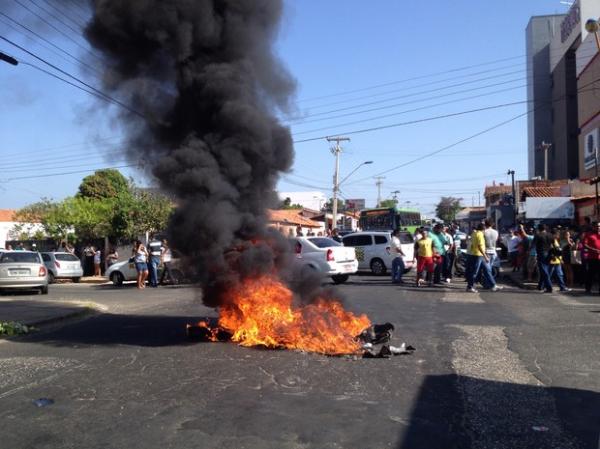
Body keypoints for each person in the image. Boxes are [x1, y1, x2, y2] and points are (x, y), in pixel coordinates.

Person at [465, 223, 499, 293]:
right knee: (474, 272)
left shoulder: (474, 233)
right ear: (483, 229)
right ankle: (470, 287)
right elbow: (479, 246)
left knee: (487, 270)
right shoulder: (480, 235)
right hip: (478, 255)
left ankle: (493, 285)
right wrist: (485, 256)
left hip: (476, 254)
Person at [533, 224, 554, 293]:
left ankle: (549, 287)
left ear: (539, 229)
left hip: (541, 253)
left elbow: (533, 244)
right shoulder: (550, 235)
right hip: (549, 253)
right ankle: (540, 286)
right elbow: (552, 244)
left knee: (544, 270)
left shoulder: (538, 235)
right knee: (544, 270)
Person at [583, 221, 600, 294]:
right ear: (593, 227)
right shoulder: (588, 234)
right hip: (592, 258)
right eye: (597, 226)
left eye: (599, 226)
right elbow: (585, 244)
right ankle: (588, 289)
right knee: (591, 274)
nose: (598, 227)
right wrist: (594, 250)